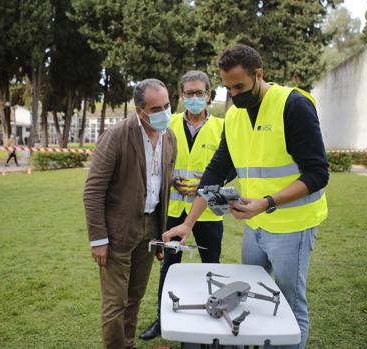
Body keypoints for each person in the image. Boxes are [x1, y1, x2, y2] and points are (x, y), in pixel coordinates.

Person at [163, 44, 329, 349]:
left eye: (239, 86)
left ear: (259, 74)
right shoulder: (235, 116)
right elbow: (216, 172)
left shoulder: (293, 105)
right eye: (227, 88)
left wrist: (266, 203)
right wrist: (188, 224)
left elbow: (318, 174)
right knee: (249, 294)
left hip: (293, 227)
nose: (234, 95)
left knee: (290, 305)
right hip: (256, 229)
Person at [140, 71, 234, 341]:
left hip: (208, 213)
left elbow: (233, 166)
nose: (194, 98)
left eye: (199, 93)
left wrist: (208, 183)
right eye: (189, 93)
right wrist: (169, 179)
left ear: (209, 95)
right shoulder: (167, 124)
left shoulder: (223, 126)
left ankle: (212, 318)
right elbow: (153, 161)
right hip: (171, 212)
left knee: (211, 266)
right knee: (169, 267)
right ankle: (162, 318)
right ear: (180, 96)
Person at [83, 78, 177, 349]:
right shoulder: (117, 136)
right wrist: (99, 239)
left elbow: (161, 189)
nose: (163, 113)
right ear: (139, 110)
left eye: (167, 106)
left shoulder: (169, 137)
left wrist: (159, 234)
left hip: (149, 230)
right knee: (116, 303)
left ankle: (127, 344)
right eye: (156, 109)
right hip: (117, 233)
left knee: (135, 297)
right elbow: (93, 191)